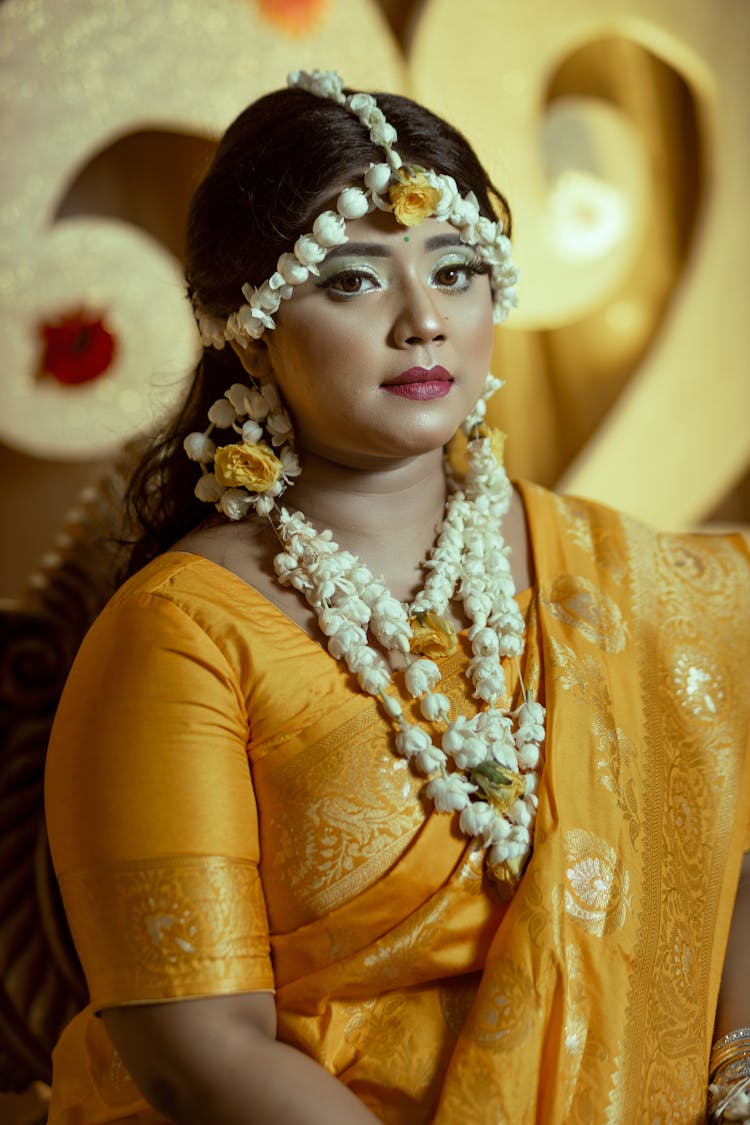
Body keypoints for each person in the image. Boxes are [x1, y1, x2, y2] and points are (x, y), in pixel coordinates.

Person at [44, 70, 750, 1124]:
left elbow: (732, 849)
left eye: (457, 269)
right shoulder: (184, 637)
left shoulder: (631, 583)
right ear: (246, 322)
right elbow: (201, 1053)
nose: (423, 321)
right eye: (354, 281)